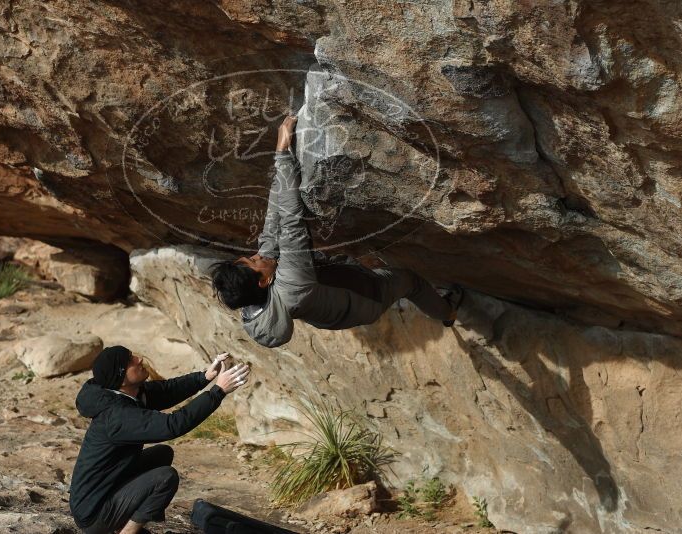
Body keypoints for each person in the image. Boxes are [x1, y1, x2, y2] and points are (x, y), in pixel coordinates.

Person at [210, 115, 463, 348]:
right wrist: (282, 155)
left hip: (334, 302)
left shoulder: (254, 294)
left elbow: (273, 219)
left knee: (345, 268)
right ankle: (448, 312)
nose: (258, 255)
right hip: (368, 299)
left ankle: (366, 273)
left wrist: (282, 168)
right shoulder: (292, 287)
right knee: (409, 281)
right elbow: (290, 222)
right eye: (254, 261)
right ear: (264, 281)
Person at [69, 346, 249, 534]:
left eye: (132, 355)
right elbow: (173, 425)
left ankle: (124, 521)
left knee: (162, 454)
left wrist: (204, 377)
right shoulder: (117, 416)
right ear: (121, 378)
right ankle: (127, 531)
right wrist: (218, 391)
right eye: (130, 361)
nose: (139, 359)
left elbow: (167, 390)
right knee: (165, 477)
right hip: (94, 513)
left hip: (107, 490)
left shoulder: (126, 394)